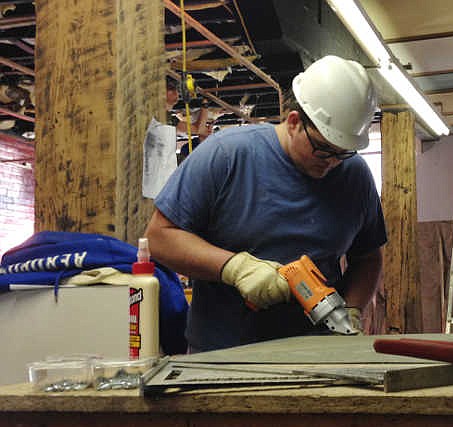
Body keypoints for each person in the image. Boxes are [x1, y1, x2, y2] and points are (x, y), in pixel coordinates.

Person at [145, 55, 387, 353]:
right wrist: (233, 267)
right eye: (324, 150)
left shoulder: (354, 176)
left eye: (343, 153)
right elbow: (159, 237)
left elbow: (368, 257)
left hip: (317, 355)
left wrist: (352, 310)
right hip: (223, 355)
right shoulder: (226, 156)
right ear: (295, 122)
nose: (333, 163)